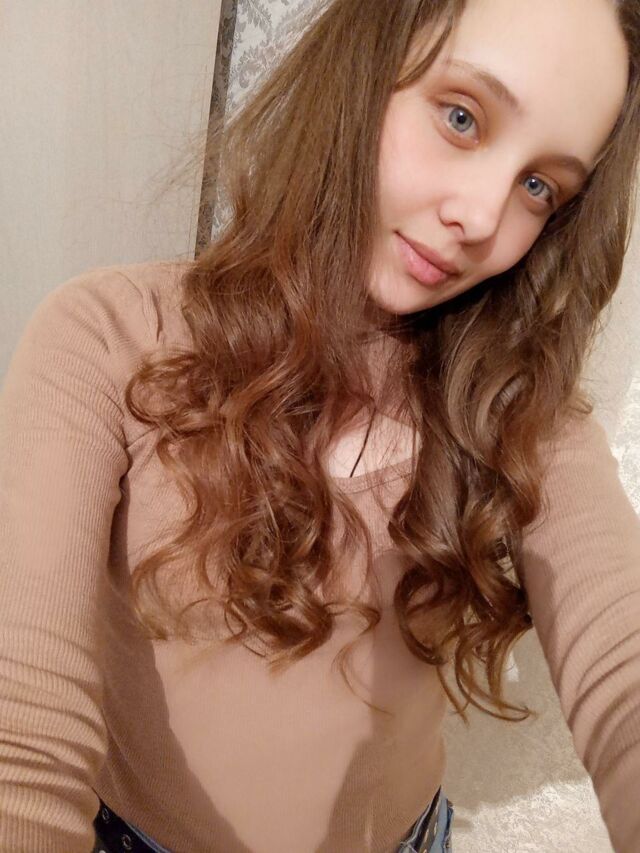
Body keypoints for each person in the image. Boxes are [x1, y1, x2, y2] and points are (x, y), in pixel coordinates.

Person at [1, 0, 639, 851]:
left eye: (539, 187)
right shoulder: (109, 339)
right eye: (461, 117)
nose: (484, 217)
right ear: (360, 74)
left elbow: (624, 663)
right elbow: (22, 736)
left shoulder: (517, 418)